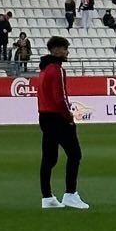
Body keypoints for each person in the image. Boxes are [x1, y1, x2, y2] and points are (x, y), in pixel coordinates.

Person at [35, 35, 86, 210]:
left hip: (45, 117)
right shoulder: (56, 70)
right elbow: (60, 98)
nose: (67, 52)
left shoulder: (43, 69)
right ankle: (70, 194)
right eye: (65, 49)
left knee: (49, 158)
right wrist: (69, 118)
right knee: (75, 155)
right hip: (57, 117)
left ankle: (47, 197)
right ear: (56, 50)